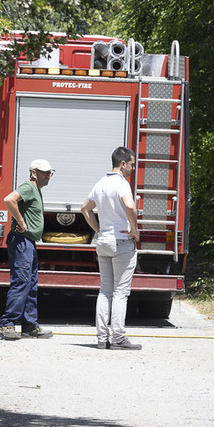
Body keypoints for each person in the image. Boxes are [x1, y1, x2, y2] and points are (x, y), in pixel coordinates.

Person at [81, 147, 142, 350]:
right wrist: (134, 230)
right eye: (132, 164)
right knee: (120, 293)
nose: (132, 169)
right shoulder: (121, 184)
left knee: (105, 291)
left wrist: (98, 229)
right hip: (122, 242)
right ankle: (118, 338)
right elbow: (130, 207)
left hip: (104, 241)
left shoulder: (100, 183)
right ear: (123, 163)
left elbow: (85, 209)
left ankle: (101, 338)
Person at [0, 159, 55, 340]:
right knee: (22, 282)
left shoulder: (35, 190)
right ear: (33, 173)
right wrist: (21, 222)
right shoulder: (29, 187)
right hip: (22, 241)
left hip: (28, 242)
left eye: (49, 173)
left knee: (30, 284)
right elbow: (9, 199)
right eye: (44, 172)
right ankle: (7, 324)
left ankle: (30, 326)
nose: (47, 175)